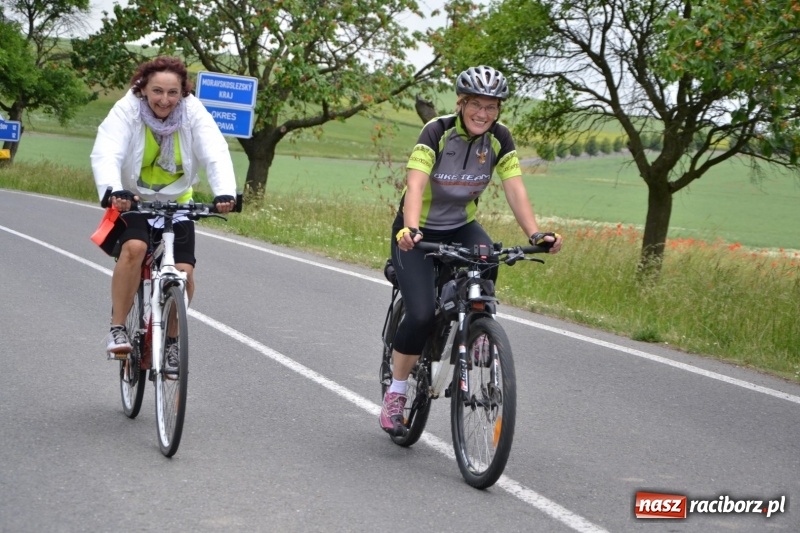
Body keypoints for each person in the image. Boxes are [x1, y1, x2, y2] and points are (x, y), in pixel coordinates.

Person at [380, 65, 563, 435]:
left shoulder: (500, 138)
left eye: (491, 106)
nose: (483, 113)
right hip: (415, 230)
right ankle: (396, 394)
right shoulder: (437, 131)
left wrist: (535, 233)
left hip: (460, 225)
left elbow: (514, 188)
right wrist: (410, 229)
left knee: (487, 255)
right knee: (420, 314)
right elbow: (414, 186)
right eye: (476, 104)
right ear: (462, 103)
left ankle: (476, 330)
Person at [91, 56, 237, 365]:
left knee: (183, 274)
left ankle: (171, 342)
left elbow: (215, 150)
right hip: (133, 199)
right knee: (134, 247)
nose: (164, 100)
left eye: (172, 93)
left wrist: (224, 191)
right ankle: (118, 328)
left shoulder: (193, 111)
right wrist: (112, 190)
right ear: (143, 88)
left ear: (183, 92)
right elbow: (108, 149)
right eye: (157, 91)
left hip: (178, 201)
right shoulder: (127, 110)